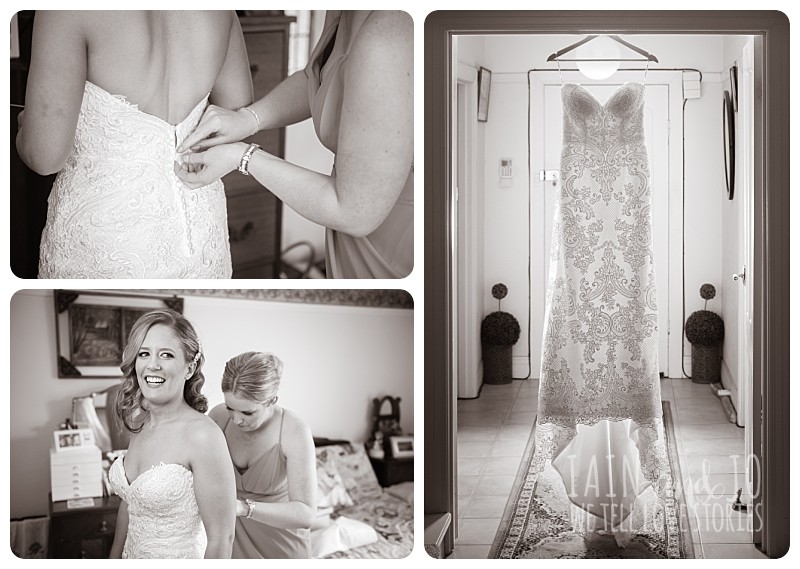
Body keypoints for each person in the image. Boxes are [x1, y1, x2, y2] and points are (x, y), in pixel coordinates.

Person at [15, 11, 253, 278]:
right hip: (200, 233)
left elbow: (44, 156)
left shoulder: (66, 11)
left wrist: (26, 126)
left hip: (107, 239)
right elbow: (237, 113)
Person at [177, 10, 413, 279]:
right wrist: (249, 118)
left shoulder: (390, 34)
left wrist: (243, 157)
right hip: (351, 226)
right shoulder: (341, 11)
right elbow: (318, 77)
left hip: (389, 239)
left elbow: (354, 212)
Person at [108, 309, 236, 559]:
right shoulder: (140, 422)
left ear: (189, 368)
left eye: (166, 355)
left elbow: (222, 538)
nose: (152, 365)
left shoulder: (203, 436)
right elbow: (130, 504)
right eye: (144, 353)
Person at [209, 352, 316, 558]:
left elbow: (306, 514)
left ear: (271, 401)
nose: (237, 420)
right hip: (231, 540)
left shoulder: (294, 431)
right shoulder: (218, 417)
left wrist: (243, 508)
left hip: (281, 543)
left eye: (248, 413)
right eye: (230, 407)